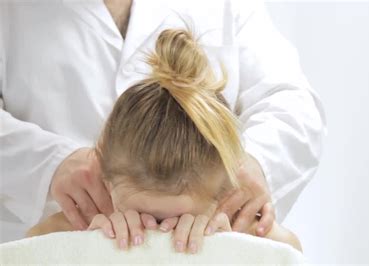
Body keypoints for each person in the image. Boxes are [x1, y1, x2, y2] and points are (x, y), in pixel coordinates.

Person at [0, 0, 326, 242]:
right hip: (55, 233)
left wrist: (253, 162)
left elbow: (291, 101)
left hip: (208, 229)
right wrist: (46, 164)